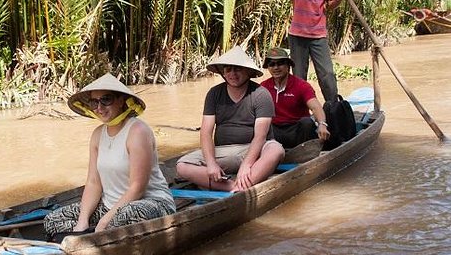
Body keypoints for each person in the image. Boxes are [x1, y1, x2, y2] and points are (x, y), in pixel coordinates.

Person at [43, 73, 175, 240]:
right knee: (52, 220)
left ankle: (97, 234)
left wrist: (104, 222)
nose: (99, 107)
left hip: (151, 203)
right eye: (94, 102)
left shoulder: (137, 131)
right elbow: (93, 182)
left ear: (121, 101)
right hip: (109, 206)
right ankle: (90, 235)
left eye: (106, 100)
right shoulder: (97, 135)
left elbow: (137, 188)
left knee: (125, 216)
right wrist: (82, 221)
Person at [175, 46, 285, 192]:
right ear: (223, 73)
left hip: (255, 149)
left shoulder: (261, 94)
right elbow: (206, 132)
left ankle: (240, 183)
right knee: (182, 166)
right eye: (228, 69)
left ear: (248, 72)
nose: (232, 73)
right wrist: (211, 163)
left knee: (276, 150)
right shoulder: (214, 94)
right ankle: (234, 187)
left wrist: (246, 165)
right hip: (225, 152)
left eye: (238, 69)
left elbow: (260, 136)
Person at [288, 0, 349, 102]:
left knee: (327, 75)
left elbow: (330, 6)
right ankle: (301, 113)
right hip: (297, 35)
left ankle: (333, 107)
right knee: (299, 77)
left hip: (318, 35)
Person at [260, 47, 330, 148]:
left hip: (296, 130)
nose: (276, 68)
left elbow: (315, 107)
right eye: (272, 64)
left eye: (280, 63)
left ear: (288, 65)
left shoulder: (301, 85)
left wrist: (322, 124)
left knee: (307, 122)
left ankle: (304, 152)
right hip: (275, 131)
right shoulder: (264, 87)